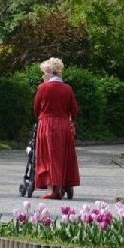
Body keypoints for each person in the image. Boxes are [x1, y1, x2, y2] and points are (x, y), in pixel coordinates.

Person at [33, 57, 80, 200]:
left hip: (47, 124)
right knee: (61, 156)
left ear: (49, 72)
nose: (42, 76)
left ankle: (51, 189)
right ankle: (60, 186)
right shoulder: (68, 89)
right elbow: (74, 110)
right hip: (63, 125)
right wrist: (70, 121)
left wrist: (42, 117)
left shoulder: (43, 88)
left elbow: (36, 108)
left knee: (48, 156)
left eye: (43, 73)